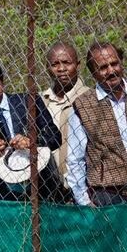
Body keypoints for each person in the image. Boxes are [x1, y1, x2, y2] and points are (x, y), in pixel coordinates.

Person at [0, 60, 62, 201]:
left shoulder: (29, 103)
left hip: (40, 188)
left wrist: (31, 141)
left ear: (2, 82)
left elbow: (55, 137)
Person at [66, 42, 127, 207]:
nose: (111, 71)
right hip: (108, 194)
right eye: (103, 67)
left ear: (121, 62)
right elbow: (75, 159)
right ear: (93, 73)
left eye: (114, 64)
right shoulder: (83, 106)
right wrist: (84, 201)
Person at [41, 42, 89, 192]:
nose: (61, 69)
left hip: (84, 184)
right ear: (47, 68)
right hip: (48, 186)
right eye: (55, 64)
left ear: (78, 65)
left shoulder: (90, 97)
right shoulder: (40, 101)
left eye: (67, 63)